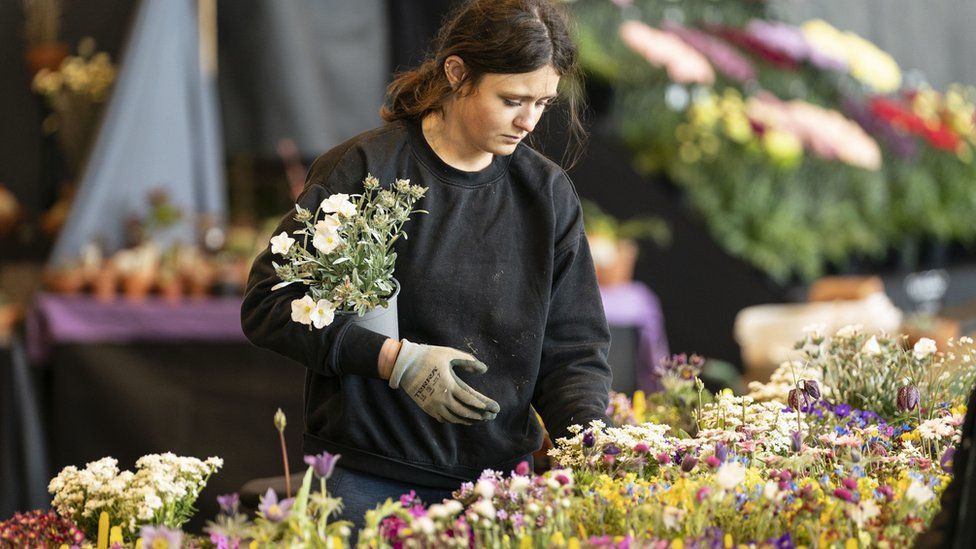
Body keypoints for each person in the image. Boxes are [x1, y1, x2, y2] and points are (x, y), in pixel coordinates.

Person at [241, 0, 613, 531]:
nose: (529, 121)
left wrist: (591, 447)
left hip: (496, 487)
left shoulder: (546, 194)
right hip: (368, 478)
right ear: (458, 73)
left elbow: (574, 350)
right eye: (512, 99)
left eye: (543, 103)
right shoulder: (368, 172)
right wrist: (395, 360)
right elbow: (270, 305)